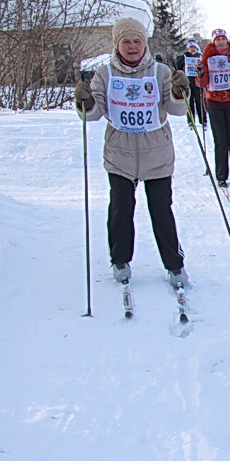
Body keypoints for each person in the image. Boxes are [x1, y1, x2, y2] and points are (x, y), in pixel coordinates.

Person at [73, 17, 189, 288]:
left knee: (161, 210)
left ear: (144, 43)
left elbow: (178, 110)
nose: (132, 46)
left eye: (137, 41)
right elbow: (93, 114)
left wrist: (178, 90)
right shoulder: (105, 73)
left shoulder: (160, 71)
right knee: (120, 209)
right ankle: (120, 260)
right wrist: (86, 100)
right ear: (117, 45)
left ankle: (175, 265)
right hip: (120, 154)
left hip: (156, 153)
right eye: (126, 41)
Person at [198, 28, 230, 186]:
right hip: (214, 101)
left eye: (223, 39)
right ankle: (221, 176)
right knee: (220, 140)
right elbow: (203, 82)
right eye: (218, 39)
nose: (221, 42)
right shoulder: (208, 57)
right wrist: (200, 74)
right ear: (213, 41)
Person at [174, 39, 204, 128]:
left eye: (194, 47)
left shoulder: (200, 56)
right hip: (187, 82)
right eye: (191, 47)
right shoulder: (184, 56)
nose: (192, 49)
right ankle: (191, 121)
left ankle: (203, 120)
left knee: (199, 101)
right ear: (188, 48)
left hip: (198, 81)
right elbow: (178, 69)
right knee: (189, 102)